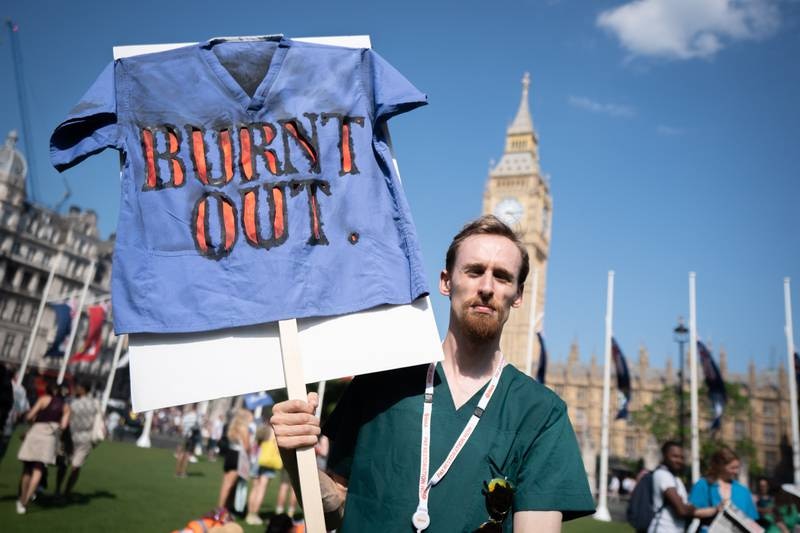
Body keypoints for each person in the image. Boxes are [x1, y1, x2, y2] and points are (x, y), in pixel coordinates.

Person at [271, 215, 595, 532]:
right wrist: (293, 456)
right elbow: (338, 509)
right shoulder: (381, 379)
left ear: (519, 294)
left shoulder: (541, 413)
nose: (486, 286)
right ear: (445, 281)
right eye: (474, 271)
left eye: (502, 276)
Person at [16, 380, 70, 514]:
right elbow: (63, 426)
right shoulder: (66, 407)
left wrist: (33, 420)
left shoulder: (43, 399)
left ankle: (22, 498)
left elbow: (29, 416)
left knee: (28, 468)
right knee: (39, 468)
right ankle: (26, 501)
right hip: (50, 437)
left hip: (36, 433)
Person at [649, 441, 716, 533]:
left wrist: (687, 507)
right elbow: (682, 511)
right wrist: (690, 508)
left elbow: (685, 507)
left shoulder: (675, 479)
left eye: (682, 457)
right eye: (675, 456)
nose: (679, 460)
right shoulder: (662, 475)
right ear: (664, 456)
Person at [689, 446, 758, 530]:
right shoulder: (703, 485)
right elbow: (691, 512)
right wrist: (715, 510)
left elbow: (752, 520)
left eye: (737, 467)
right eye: (732, 468)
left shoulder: (743, 491)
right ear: (720, 466)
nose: (736, 472)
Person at [56, 381, 99, 496]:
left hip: (70, 436)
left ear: (83, 389)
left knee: (64, 464)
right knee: (76, 466)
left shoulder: (72, 402)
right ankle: (67, 492)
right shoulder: (95, 403)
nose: (75, 389)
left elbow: (65, 417)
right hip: (86, 438)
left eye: (77, 387)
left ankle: (58, 489)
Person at [245, 424, 281, 525]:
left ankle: (249, 514)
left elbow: (256, 443)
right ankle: (254, 515)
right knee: (262, 489)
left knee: (254, 488)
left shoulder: (263, 429)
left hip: (257, 460)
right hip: (268, 462)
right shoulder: (276, 432)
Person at [217, 408, 252, 510]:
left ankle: (225, 507)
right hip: (238, 457)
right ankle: (221, 509)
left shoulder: (232, 426)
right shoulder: (244, 428)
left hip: (230, 455)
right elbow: (246, 446)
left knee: (226, 484)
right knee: (229, 485)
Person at [176, 403, 199, 477]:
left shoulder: (186, 416)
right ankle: (183, 473)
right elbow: (197, 428)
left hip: (184, 436)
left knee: (181, 455)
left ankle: (177, 472)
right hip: (190, 437)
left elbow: (180, 427)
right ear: (196, 408)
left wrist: (184, 432)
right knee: (187, 456)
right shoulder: (196, 417)